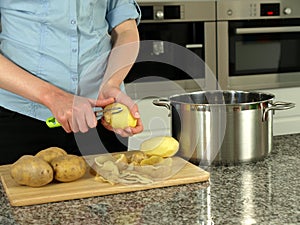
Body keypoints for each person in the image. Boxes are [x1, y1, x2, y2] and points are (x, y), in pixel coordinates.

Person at [0, 1, 143, 165]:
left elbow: (126, 29)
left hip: (99, 115)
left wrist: (112, 83)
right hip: (20, 118)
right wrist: (53, 97)